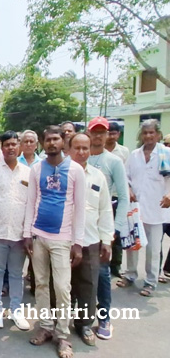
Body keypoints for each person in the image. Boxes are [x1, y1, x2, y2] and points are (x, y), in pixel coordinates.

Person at [23, 125, 85, 358]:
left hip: (63, 239)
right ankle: (46, 327)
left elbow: (80, 208)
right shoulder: (37, 169)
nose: (51, 143)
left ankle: (63, 334)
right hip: (38, 236)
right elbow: (31, 202)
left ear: (63, 141)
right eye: (48, 140)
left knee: (62, 288)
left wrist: (78, 243)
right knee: (40, 284)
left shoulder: (75, 170)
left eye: (56, 139)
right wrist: (27, 234)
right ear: (43, 142)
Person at [69, 134, 115, 346]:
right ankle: (59, 323)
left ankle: (84, 324)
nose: (81, 152)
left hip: (91, 240)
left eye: (85, 148)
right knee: (61, 285)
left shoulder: (98, 176)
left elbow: (105, 210)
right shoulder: (62, 174)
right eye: (77, 148)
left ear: (90, 150)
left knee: (88, 284)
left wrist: (106, 240)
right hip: (65, 240)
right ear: (69, 149)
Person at [86, 117, 129, 340]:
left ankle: (104, 318)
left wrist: (115, 230)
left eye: (102, 132)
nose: (98, 136)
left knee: (102, 274)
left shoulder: (114, 161)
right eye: (94, 132)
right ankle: (82, 316)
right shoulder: (79, 158)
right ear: (88, 133)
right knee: (80, 274)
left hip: (103, 225)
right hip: (81, 227)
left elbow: (123, 197)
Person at [0, 132, 31, 330]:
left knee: (17, 274)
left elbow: (31, 205)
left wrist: (28, 233)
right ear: (1, 147)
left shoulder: (28, 173)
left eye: (14, 144)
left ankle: (16, 310)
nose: (11, 148)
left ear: (19, 146)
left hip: (19, 234)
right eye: (7, 145)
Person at [118, 119, 170, 298]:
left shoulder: (166, 153)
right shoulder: (134, 155)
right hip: (135, 208)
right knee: (133, 244)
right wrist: (129, 189)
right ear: (141, 135)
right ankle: (130, 275)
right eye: (145, 133)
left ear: (158, 134)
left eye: (151, 132)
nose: (148, 136)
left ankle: (150, 282)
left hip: (157, 209)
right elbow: (125, 177)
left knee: (153, 249)